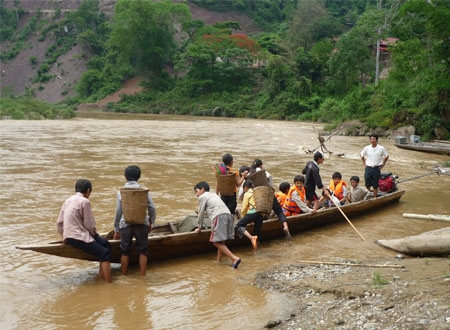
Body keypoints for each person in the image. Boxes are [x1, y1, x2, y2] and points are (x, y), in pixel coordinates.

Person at [57, 179, 112, 283]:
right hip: (79, 236)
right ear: (88, 190)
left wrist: (63, 236)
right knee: (105, 254)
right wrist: (95, 235)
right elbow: (89, 225)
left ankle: (101, 273)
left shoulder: (68, 201)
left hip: (69, 235)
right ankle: (108, 282)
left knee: (106, 244)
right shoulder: (85, 201)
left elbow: (60, 222)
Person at [113, 165, 156, 276]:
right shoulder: (144, 191)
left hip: (125, 224)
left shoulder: (121, 192)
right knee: (143, 251)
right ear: (138, 177)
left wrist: (117, 228)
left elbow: (118, 211)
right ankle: (142, 276)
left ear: (125, 177)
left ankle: (123, 274)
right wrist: (151, 222)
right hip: (141, 223)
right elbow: (152, 208)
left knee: (125, 251)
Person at [194, 181, 241, 269]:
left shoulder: (202, 197)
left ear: (202, 189)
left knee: (215, 242)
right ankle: (218, 261)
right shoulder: (214, 195)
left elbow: (200, 213)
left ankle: (234, 258)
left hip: (219, 216)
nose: (196, 194)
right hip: (228, 215)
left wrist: (199, 228)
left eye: (196, 191)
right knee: (221, 241)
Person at [248, 159, 292, 240]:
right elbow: (270, 184)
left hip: (257, 196)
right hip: (268, 193)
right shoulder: (264, 172)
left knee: (259, 215)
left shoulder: (249, 174)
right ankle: (285, 226)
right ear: (260, 165)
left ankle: (257, 239)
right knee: (279, 211)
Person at [234, 180, 261, 250]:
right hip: (260, 214)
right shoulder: (256, 192)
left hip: (253, 212)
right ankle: (256, 248)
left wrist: (243, 218)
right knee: (256, 232)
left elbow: (244, 208)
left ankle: (251, 238)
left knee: (239, 225)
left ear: (245, 187)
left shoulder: (247, 193)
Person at [360, 134, 389, 198]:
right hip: (368, 167)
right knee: (367, 182)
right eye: (371, 139)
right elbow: (362, 155)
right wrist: (364, 163)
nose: (372, 140)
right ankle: (368, 197)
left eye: (373, 139)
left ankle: (374, 198)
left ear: (376, 140)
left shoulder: (381, 148)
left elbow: (386, 156)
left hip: (377, 168)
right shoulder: (367, 148)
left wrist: (383, 164)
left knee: (375, 184)